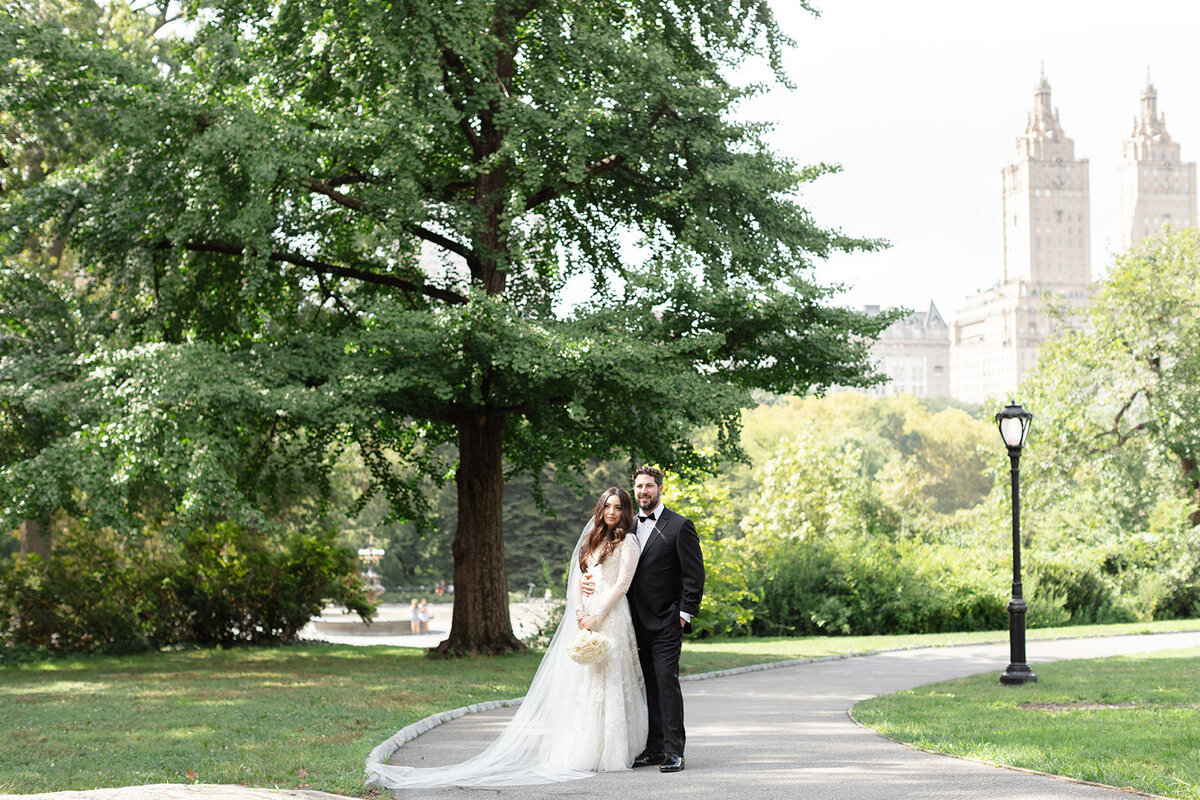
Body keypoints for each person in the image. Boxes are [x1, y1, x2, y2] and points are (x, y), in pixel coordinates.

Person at [364, 487, 648, 789]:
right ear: (601, 508)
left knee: (611, 678)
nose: (612, 512)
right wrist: (580, 611)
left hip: (611, 615)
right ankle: (585, 747)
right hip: (587, 613)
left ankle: (612, 751)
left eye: (618, 507)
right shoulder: (593, 539)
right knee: (586, 682)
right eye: (608, 506)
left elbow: (622, 585)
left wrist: (597, 615)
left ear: (625, 510)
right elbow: (579, 578)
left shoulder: (627, 541)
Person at [587, 465, 704, 773]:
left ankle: (673, 751)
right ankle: (653, 749)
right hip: (632, 623)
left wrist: (682, 615)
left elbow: (693, 575)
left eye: (649, 486)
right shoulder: (625, 527)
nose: (643, 492)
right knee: (645, 685)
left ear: (659, 489)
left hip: (666, 621)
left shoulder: (680, 526)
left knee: (666, 682)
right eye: (639, 487)